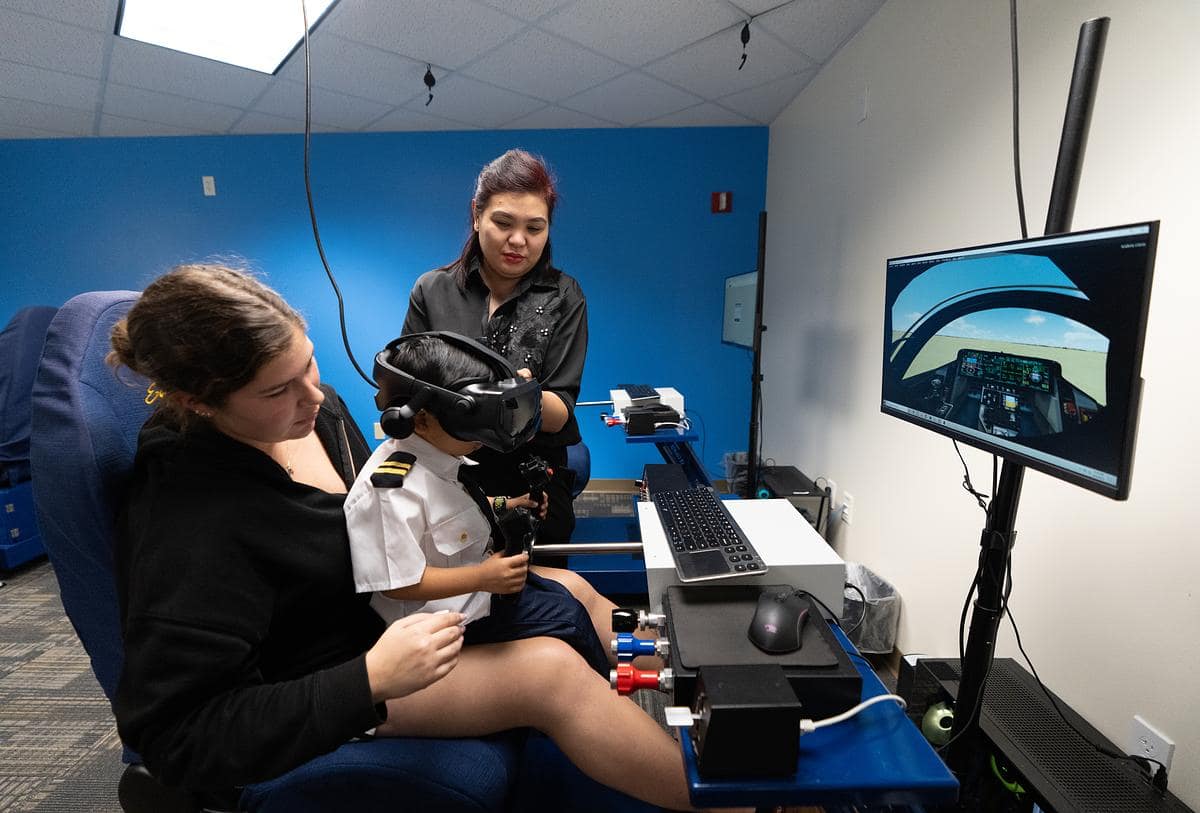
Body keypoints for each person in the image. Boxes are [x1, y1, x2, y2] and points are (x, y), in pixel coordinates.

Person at [107, 264, 718, 811]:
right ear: (196, 401)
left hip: (384, 612)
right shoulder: (190, 519)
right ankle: (730, 804)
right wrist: (370, 678)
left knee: (572, 587)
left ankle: (717, 697)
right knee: (550, 674)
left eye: (308, 365)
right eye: (277, 390)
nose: (313, 396)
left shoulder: (315, 414)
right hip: (342, 667)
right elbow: (178, 737)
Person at [344, 332, 636, 678]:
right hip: (442, 622)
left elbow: (446, 518)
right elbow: (397, 583)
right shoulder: (391, 490)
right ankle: (603, 689)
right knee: (568, 621)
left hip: (478, 593)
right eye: (470, 426)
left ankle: (638, 669)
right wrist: (482, 577)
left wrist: (511, 503)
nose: (480, 438)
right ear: (420, 420)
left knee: (570, 599)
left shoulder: (441, 460)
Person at [402, 149, 585, 549]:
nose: (518, 240)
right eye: (503, 223)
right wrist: (506, 397)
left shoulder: (564, 295)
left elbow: (559, 412)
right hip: (445, 477)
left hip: (532, 482)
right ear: (476, 214)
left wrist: (524, 397)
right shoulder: (431, 290)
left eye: (535, 228)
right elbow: (407, 393)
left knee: (544, 583)